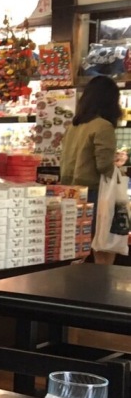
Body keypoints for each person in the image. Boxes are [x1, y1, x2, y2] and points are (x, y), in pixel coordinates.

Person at [59, 75, 128, 265]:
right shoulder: (103, 126)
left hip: (71, 192)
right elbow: (103, 165)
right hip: (95, 193)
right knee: (103, 245)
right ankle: (101, 281)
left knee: (79, 245)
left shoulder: (74, 126)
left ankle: (75, 280)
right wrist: (118, 166)